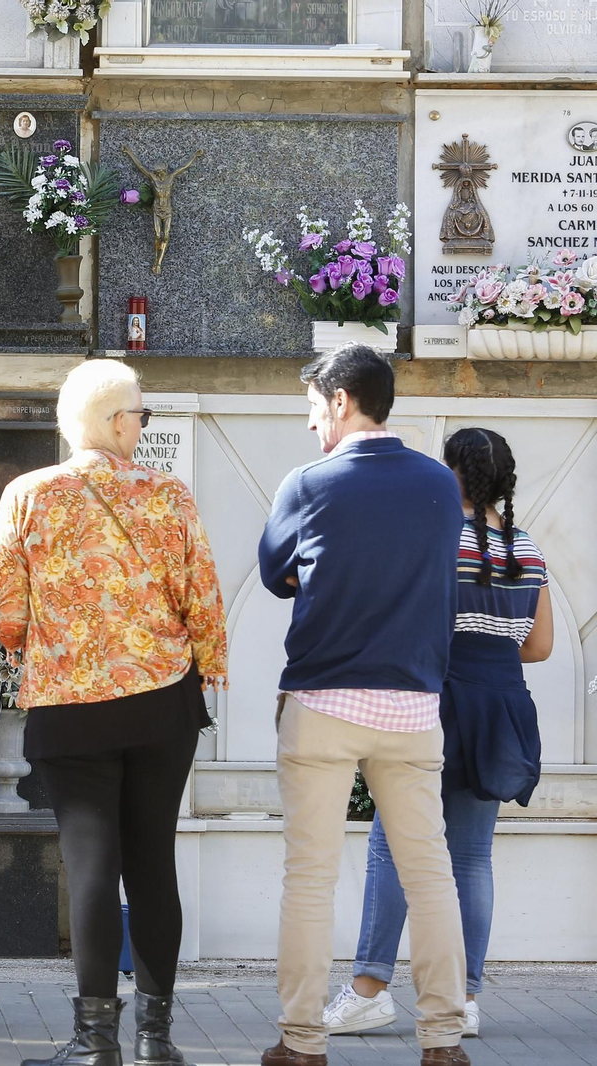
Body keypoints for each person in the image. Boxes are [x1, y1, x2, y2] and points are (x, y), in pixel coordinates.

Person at [0, 359, 227, 1066]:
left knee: (91, 863)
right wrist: (206, 662)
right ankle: (156, 1039)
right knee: (154, 862)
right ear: (119, 422)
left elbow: (3, 608)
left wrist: (50, 645)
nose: (142, 427)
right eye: (141, 416)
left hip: (70, 702)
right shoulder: (169, 495)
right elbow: (203, 596)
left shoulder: (28, 494)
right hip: (161, 701)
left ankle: (95, 1044)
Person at [257, 345, 470, 1066]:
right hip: (413, 703)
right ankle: (443, 1041)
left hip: (323, 697)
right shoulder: (441, 484)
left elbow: (276, 576)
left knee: (310, 878)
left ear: (342, 401)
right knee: (430, 874)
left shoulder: (310, 482)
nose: (313, 426)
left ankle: (302, 1041)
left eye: (316, 410)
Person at [324, 428, 552, 1042]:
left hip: (433, 698)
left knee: (392, 843)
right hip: (501, 706)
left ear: (451, 474)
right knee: (473, 857)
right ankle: (465, 998)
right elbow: (541, 645)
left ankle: (370, 989)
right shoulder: (526, 548)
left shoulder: (434, 538)